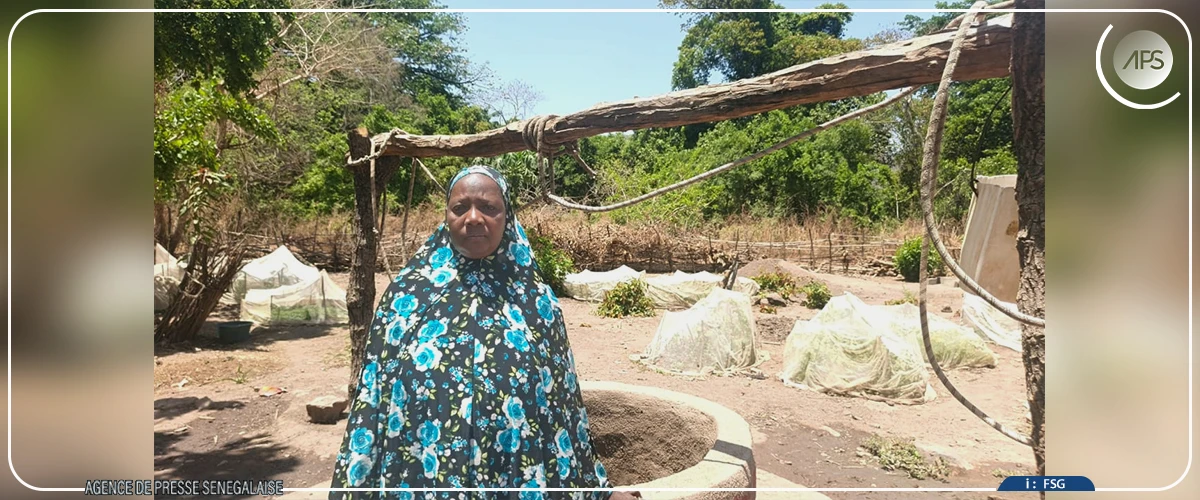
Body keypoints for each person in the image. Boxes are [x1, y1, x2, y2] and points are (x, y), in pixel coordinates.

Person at [329, 166, 639, 500]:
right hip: (427, 477)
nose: (473, 218)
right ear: (446, 217)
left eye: (489, 207)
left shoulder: (537, 302)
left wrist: (597, 490)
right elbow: (373, 399)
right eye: (460, 208)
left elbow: (564, 405)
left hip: (518, 475)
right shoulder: (405, 299)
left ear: (508, 217)